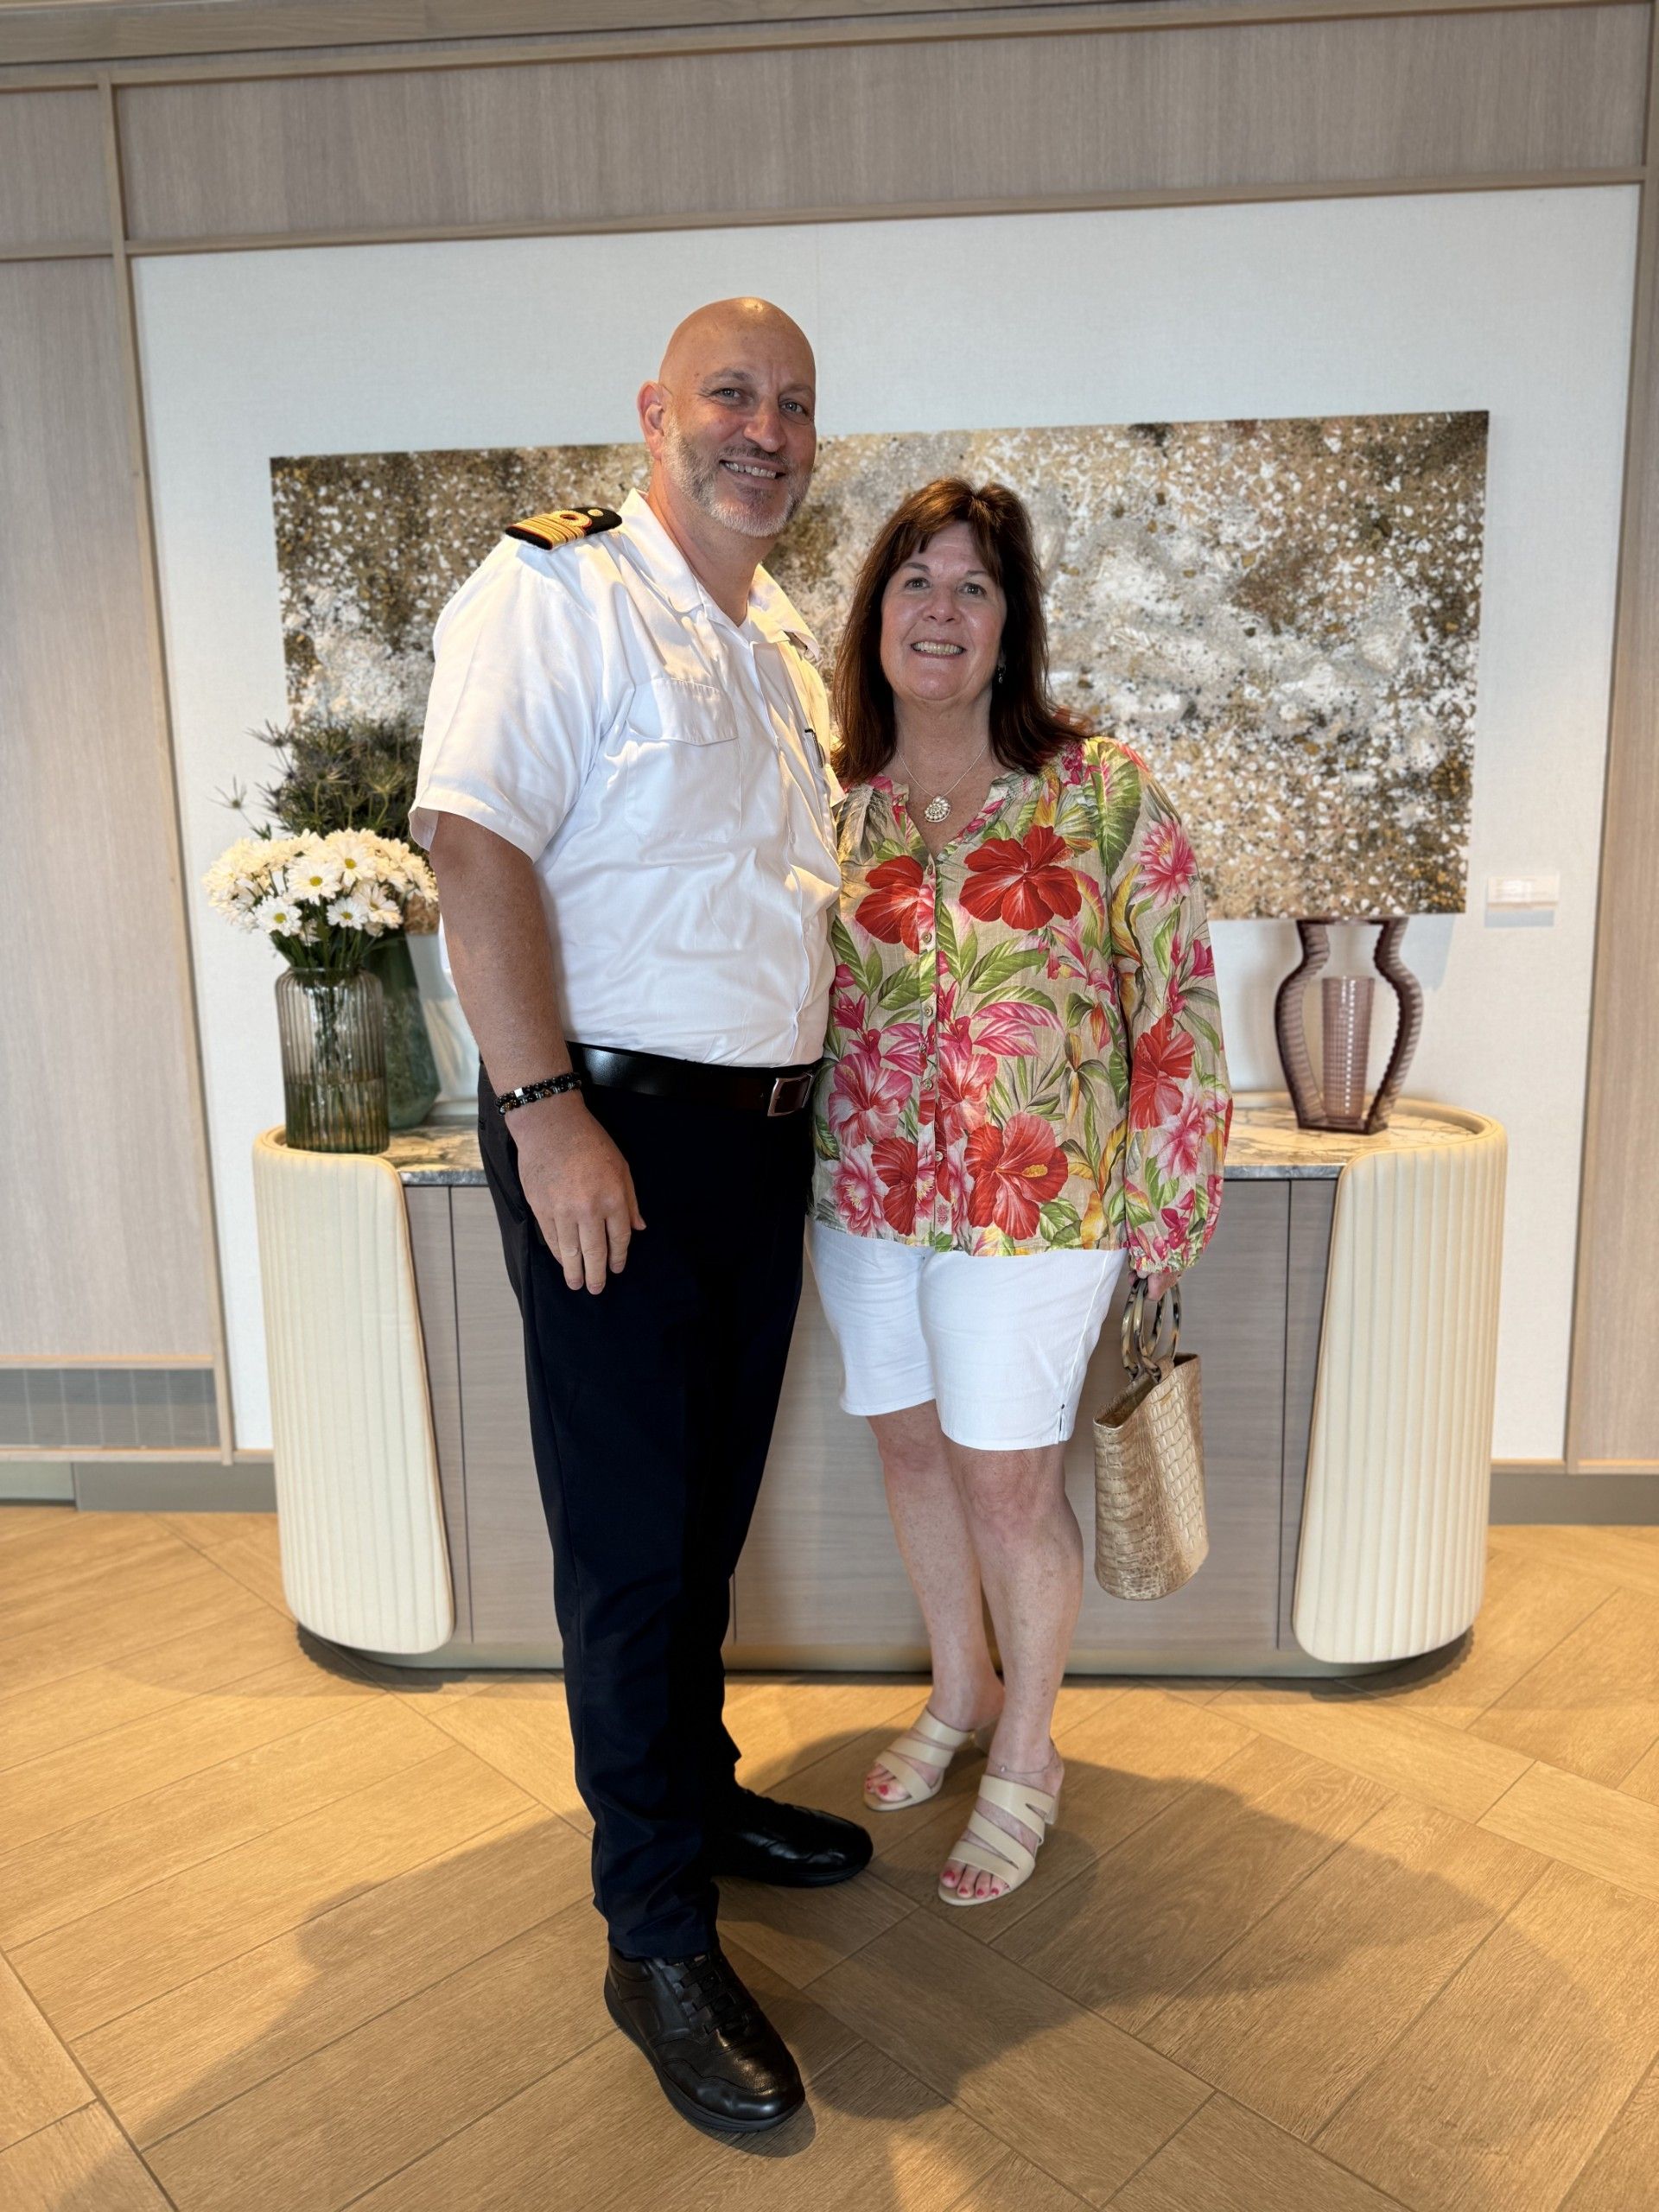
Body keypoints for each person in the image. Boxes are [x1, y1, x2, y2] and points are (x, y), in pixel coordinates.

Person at [412, 298, 871, 2137]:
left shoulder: (776, 641)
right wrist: (545, 1118)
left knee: (701, 1520)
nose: (765, 429)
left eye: (794, 405)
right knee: (628, 1545)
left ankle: (696, 1793)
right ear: (654, 413)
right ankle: (654, 1939)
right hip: (609, 1129)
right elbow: (474, 843)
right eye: (730, 394)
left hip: (756, 1145)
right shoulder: (558, 591)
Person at [810, 478, 1231, 1907]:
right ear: (874, 615)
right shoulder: (832, 803)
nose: (941, 610)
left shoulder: (1099, 790)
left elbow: (1175, 1000)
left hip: (1038, 1201)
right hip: (865, 1189)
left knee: (1006, 1483)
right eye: (915, 582)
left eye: (974, 586)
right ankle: (962, 1689)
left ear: (1011, 624)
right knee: (910, 1456)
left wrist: (1169, 1208)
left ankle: (1032, 1753)